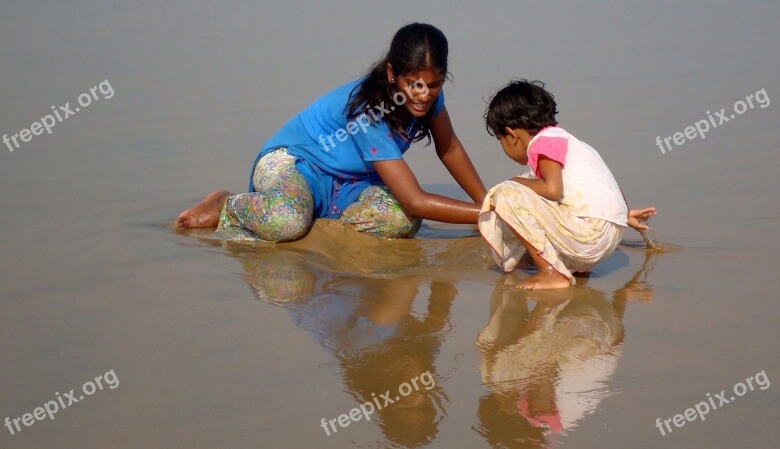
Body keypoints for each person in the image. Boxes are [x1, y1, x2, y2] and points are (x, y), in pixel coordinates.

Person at [175, 23, 487, 241]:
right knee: (287, 222)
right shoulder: (370, 111)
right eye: (413, 84)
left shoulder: (428, 97)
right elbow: (416, 199)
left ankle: (320, 223)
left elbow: (449, 149)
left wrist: (488, 202)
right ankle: (226, 204)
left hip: (352, 181)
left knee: (401, 222)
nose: (423, 94)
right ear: (392, 74)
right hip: (297, 165)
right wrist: (492, 215)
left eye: (434, 85)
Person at [478, 79, 656, 290]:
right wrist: (624, 216)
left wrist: (514, 182)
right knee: (529, 184)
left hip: (588, 238)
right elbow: (604, 186)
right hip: (608, 238)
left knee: (506, 194)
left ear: (512, 135)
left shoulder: (541, 143)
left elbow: (553, 190)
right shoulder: (576, 145)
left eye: (501, 141)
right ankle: (575, 268)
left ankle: (551, 272)